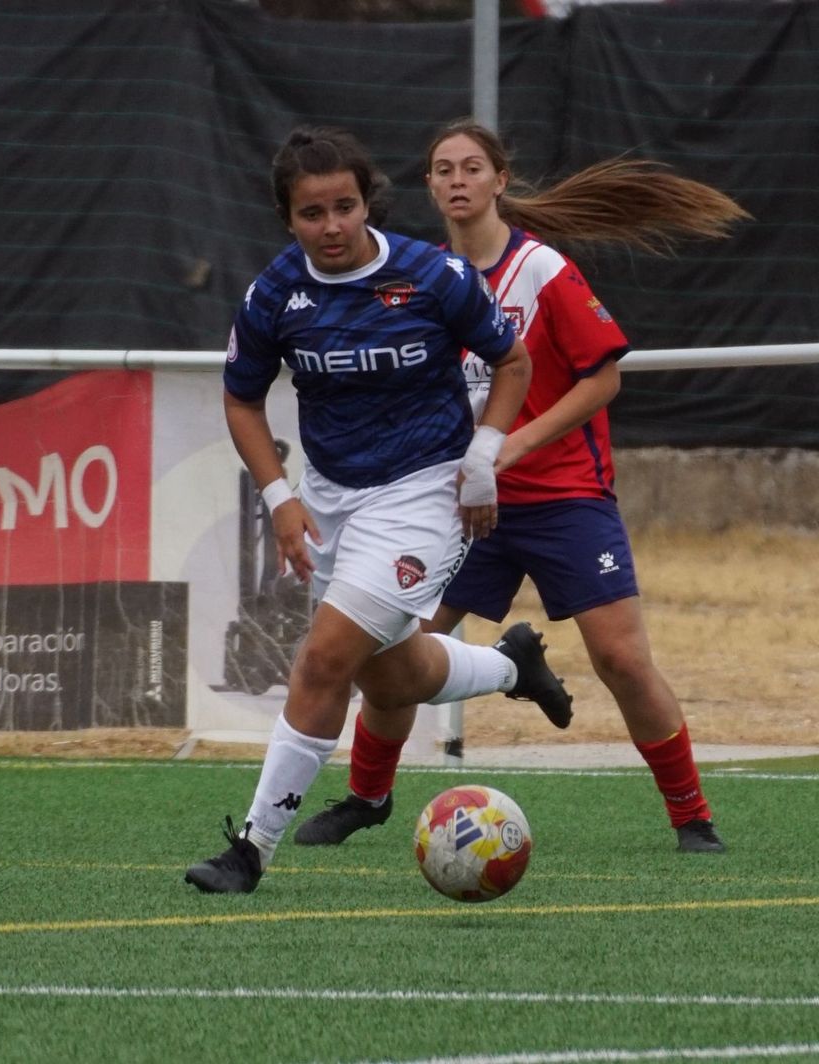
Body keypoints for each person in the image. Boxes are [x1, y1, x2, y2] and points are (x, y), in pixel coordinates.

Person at [291, 119, 749, 854]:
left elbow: (605, 377)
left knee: (622, 659)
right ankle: (367, 798)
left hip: (565, 494)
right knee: (395, 650)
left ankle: (691, 816)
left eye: (473, 166)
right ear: (431, 187)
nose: (458, 180)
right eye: (444, 169)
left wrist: (509, 443)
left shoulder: (543, 271)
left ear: (500, 181)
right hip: (465, 505)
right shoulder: (423, 278)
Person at [185, 126, 574, 894]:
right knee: (387, 675)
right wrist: (280, 499)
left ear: (369, 203)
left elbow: (513, 360)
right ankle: (511, 665)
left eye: (345, 207)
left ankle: (253, 850)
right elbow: (239, 398)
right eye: (311, 213)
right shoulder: (274, 295)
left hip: (424, 493)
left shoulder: (434, 277)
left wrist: (484, 456)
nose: (331, 227)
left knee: (326, 658)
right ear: (287, 218)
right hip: (331, 498)